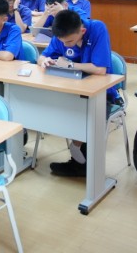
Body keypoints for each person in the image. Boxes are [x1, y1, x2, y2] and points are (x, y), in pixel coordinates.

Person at [37, 9, 123, 177]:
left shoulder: (97, 29)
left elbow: (100, 69)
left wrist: (69, 65)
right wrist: (44, 60)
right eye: (62, 41)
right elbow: (43, 56)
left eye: (69, 41)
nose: (66, 45)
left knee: (88, 118)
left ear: (82, 31)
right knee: (48, 107)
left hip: (103, 94)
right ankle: (79, 161)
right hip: (70, 90)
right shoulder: (62, 33)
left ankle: (83, 164)